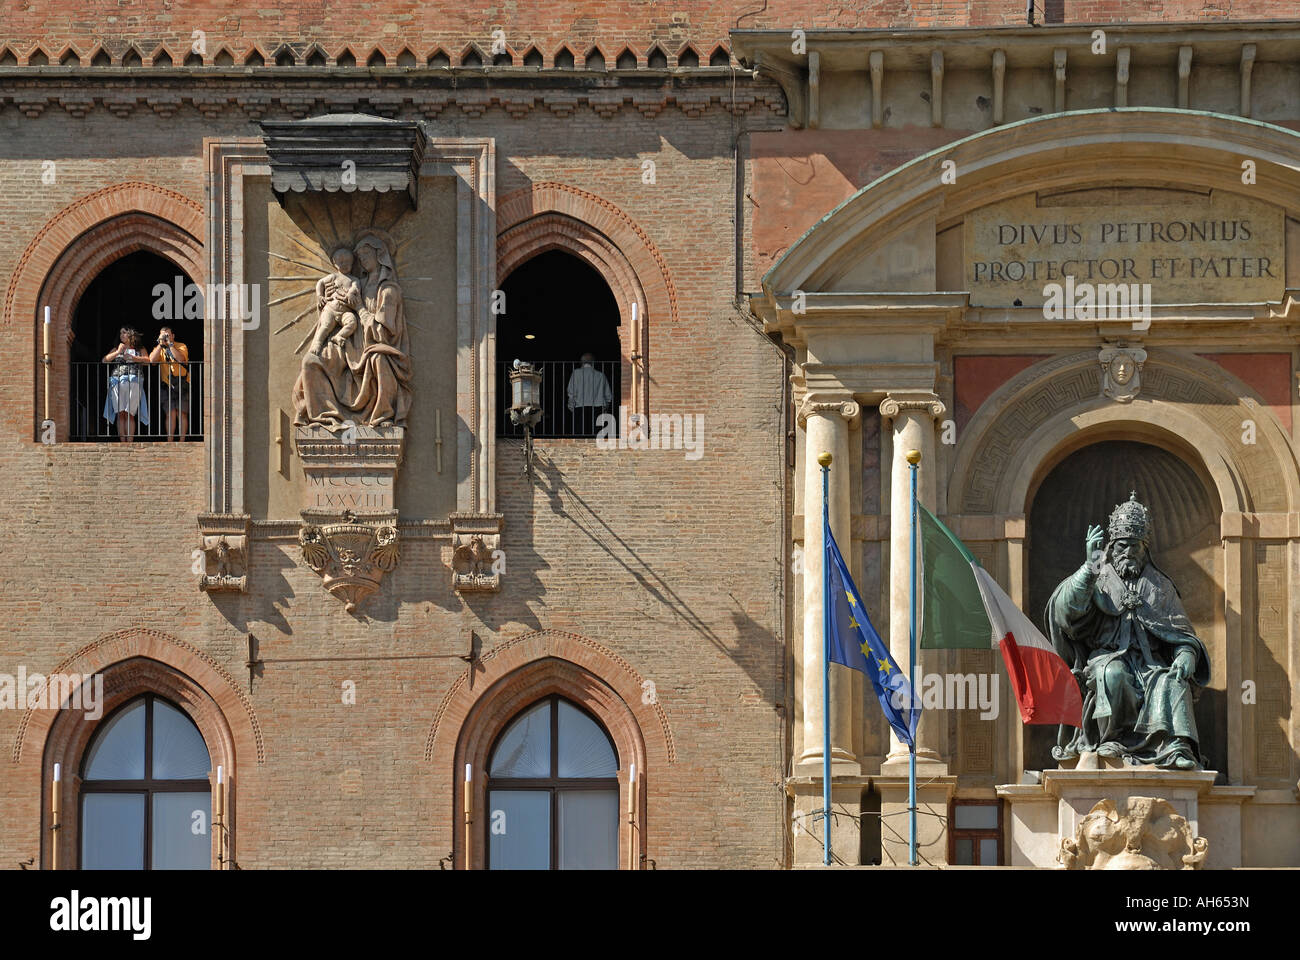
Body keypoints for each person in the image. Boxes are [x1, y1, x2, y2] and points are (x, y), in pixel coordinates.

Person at [1046, 492, 1209, 770]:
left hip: (1152, 665)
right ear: (1111, 546)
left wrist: (1186, 655)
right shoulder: (1099, 576)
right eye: (1122, 545)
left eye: (1135, 546)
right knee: (1113, 675)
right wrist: (1090, 566)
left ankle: (1175, 749)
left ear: (1145, 548)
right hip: (1106, 657)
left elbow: (1182, 632)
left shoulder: (1160, 586)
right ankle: (1111, 740)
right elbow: (1066, 611)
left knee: (1172, 682)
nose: (1129, 552)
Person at [308, 247, 361, 357]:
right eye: (341, 262)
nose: (344, 264)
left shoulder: (354, 279)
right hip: (331, 309)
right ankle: (317, 344)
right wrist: (319, 295)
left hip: (345, 311)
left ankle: (339, 336)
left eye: (347, 262)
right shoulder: (334, 276)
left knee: (352, 322)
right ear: (334, 263)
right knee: (325, 326)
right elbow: (320, 283)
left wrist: (351, 293)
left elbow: (355, 288)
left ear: (352, 263)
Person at [102, 326, 150, 442]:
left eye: (124, 333)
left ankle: (130, 441)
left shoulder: (139, 348)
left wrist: (134, 358)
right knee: (120, 413)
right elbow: (104, 360)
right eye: (120, 334)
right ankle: (123, 442)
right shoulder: (116, 348)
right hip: (117, 381)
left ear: (130, 334)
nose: (121, 335)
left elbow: (148, 361)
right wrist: (118, 352)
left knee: (130, 413)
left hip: (134, 381)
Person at [149, 326, 190, 441]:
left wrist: (170, 345)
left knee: (182, 413)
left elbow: (181, 359)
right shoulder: (159, 348)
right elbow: (152, 361)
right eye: (163, 335)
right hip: (167, 385)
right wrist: (160, 344)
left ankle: (182, 441)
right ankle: (170, 441)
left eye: (167, 335)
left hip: (182, 383)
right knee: (170, 413)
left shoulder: (181, 346)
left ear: (173, 336)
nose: (165, 337)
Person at [566, 352, 612, 436]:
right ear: (593, 362)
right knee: (597, 434)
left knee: (580, 434)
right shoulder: (601, 375)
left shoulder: (576, 374)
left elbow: (571, 392)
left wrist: (571, 406)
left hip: (580, 406)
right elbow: (608, 395)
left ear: (581, 362)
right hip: (598, 407)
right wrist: (605, 407)